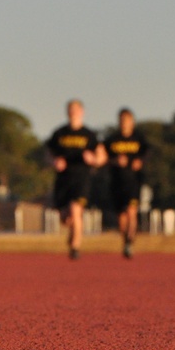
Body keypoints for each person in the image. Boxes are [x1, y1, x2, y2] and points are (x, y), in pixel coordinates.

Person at [46, 99, 107, 260]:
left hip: (81, 178)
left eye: (76, 109)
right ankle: (74, 234)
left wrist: (93, 160)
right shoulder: (59, 133)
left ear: (82, 112)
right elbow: (48, 153)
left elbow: (102, 156)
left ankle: (75, 247)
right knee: (65, 218)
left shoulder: (89, 135)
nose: (73, 112)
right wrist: (54, 162)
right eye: (70, 109)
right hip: (63, 179)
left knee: (76, 209)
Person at [104, 108, 149, 259]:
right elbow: (103, 158)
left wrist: (139, 161)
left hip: (134, 182)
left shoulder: (139, 139)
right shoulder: (112, 140)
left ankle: (130, 240)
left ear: (132, 122)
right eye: (122, 120)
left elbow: (147, 155)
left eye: (127, 120)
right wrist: (115, 161)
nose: (124, 123)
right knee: (121, 216)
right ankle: (126, 242)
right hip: (117, 182)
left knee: (131, 211)